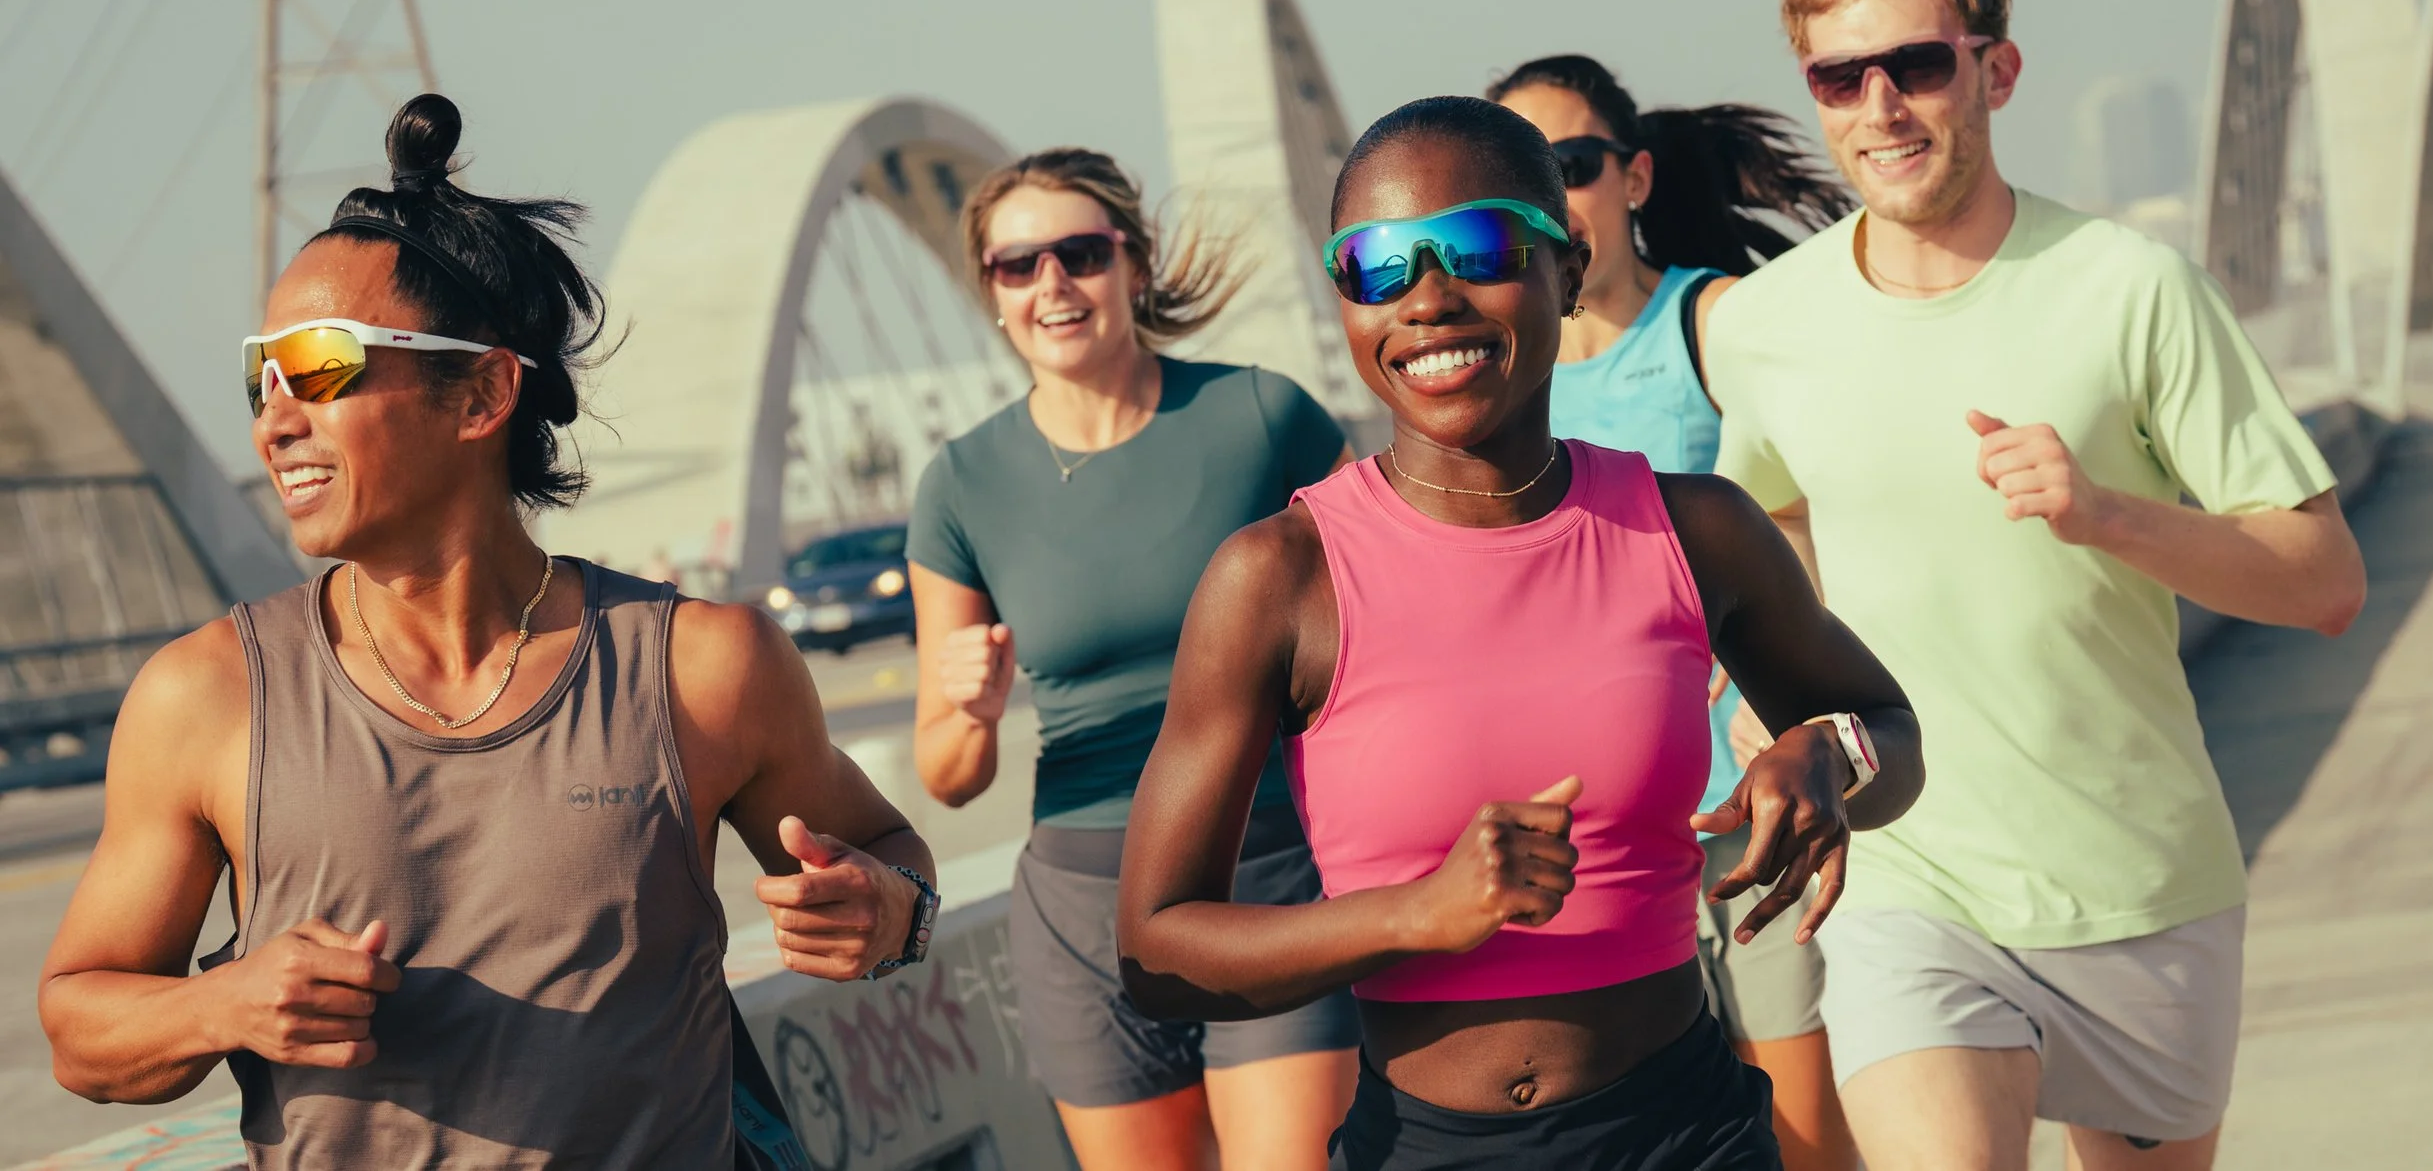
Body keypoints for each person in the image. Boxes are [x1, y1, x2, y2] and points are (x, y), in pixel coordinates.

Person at [39, 96, 938, 1168]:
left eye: (322, 366)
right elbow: (79, 1026)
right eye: (260, 374)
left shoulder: (703, 668)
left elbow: (890, 855)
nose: (275, 416)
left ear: (481, 394)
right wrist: (223, 1005)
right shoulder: (207, 696)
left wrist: (886, 916)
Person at [1116, 95, 1926, 1171]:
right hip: (1425, 1151)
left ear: (1568, 269)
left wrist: (1831, 753)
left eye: (1480, 247)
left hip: (1687, 1134)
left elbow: (1889, 729)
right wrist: (1415, 913)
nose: (1430, 299)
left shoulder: (1694, 529)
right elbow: (1156, 950)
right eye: (1378, 266)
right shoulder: (1278, 578)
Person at [1704, 0, 2369, 1171]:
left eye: (1919, 66)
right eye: (1841, 78)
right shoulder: (1766, 327)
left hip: (2136, 882)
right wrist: (1765, 677)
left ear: (1994, 73)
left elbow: (2326, 582)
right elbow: (1772, 517)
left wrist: (2104, 513)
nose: (1882, 107)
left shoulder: (2131, 288)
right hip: (1906, 877)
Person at [908, 148, 1359, 1171]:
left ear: (1135, 266)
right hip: (1082, 909)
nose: (1051, 285)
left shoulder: (1262, 415)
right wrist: (968, 712)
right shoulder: (960, 482)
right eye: (1016, 266)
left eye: (1079, 253)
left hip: (1270, 873)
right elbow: (947, 773)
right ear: (992, 294)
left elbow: (1394, 621)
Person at [1488, 53, 1857, 1171]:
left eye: (1575, 163)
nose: (1555, 195)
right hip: (1593, 838)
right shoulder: (1504, 374)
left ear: (1634, 178)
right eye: (1522, 176)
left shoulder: (1713, 321)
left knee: (1804, 1130)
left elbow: (1825, 515)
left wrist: (1776, 695)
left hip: (1749, 807)